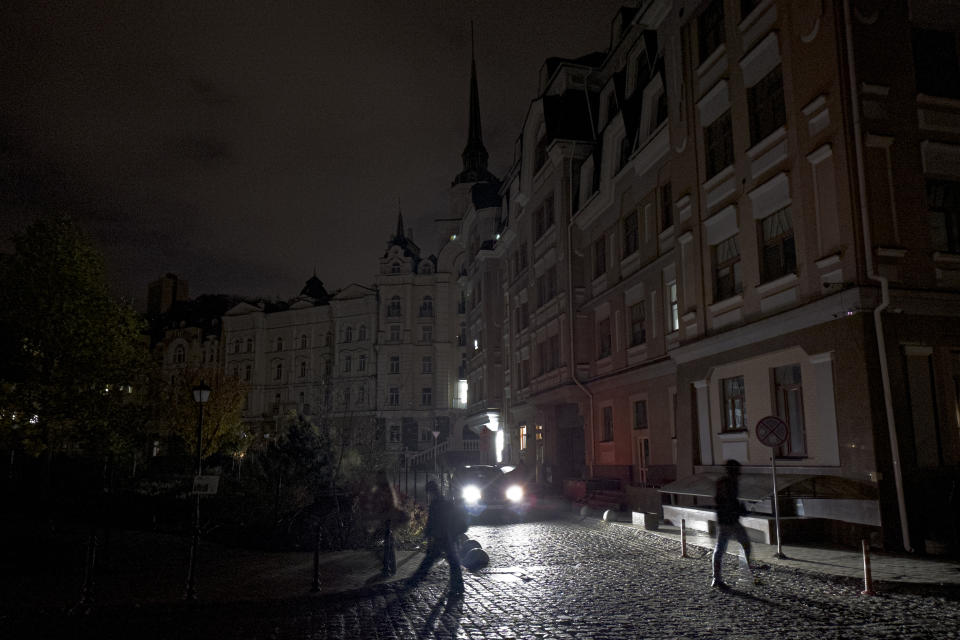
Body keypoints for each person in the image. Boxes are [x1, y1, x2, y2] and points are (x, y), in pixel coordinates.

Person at [407, 480, 464, 594]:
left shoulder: (435, 504)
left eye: (428, 492)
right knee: (452, 562)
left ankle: (414, 581)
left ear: (431, 492)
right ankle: (458, 586)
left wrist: (427, 534)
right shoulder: (446, 502)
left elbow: (432, 522)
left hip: (441, 537)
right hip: (448, 536)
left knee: (430, 560)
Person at [711, 459, 754, 589]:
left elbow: (723, 501)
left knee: (721, 548)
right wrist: (741, 510)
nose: (740, 473)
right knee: (742, 545)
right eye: (738, 470)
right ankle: (743, 573)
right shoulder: (729, 483)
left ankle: (717, 578)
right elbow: (729, 502)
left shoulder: (723, 482)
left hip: (726, 519)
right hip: (730, 520)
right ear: (734, 471)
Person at [368, 470, 400, 576]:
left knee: (387, 546)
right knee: (388, 546)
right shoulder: (385, 489)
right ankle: (389, 567)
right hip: (387, 521)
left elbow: (386, 506)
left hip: (387, 521)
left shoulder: (385, 490)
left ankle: (388, 567)